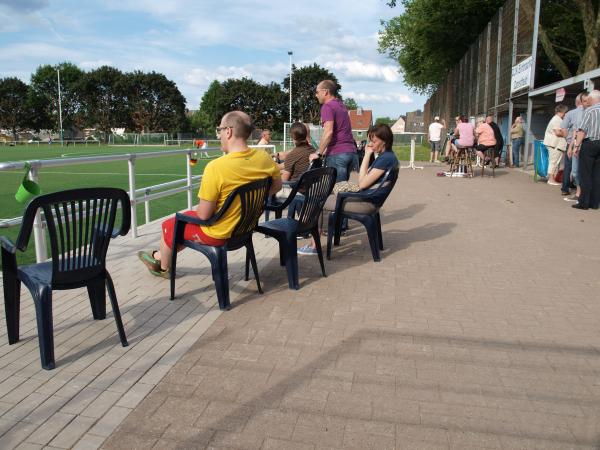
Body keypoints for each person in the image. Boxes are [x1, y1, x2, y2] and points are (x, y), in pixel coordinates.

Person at [138, 111, 282, 277]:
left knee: (171, 225)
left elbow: (204, 215)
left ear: (228, 131)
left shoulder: (216, 167)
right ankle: (158, 258)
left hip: (220, 233)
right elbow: (276, 186)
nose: (219, 134)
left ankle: (163, 267)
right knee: (180, 225)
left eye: (219, 130)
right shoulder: (263, 158)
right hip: (246, 228)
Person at [298, 123, 399, 256]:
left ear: (384, 141)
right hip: (371, 199)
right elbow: (363, 180)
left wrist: (367, 154)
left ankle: (314, 245)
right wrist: (368, 154)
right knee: (326, 195)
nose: (370, 144)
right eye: (370, 140)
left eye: (373, 141)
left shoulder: (385, 159)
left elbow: (362, 183)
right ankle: (316, 234)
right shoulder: (389, 157)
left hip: (367, 203)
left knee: (319, 200)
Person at [312, 79, 358, 182]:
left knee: (337, 190)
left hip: (338, 154)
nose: (316, 95)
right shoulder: (341, 105)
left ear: (325, 92)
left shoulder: (327, 106)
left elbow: (328, 132)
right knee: (342, 191)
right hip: (351, 152)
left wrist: (318, 152)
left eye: (317, 92)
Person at [556, 93, 587, 201]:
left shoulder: (570, 113)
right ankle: (580, 191)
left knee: (570, 168)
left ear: (577, 102)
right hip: (583, 143)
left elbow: (563, 129)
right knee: (582, 169)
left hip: (573, 143)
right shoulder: (586, 112)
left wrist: (568, 140)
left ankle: (565, 188)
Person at [573, 90, 600, 210]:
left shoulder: (590, 110)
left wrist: (577, 146)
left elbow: (582, 130)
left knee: (585, 174)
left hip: (590, 143)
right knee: (597, 175)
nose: (587, 101)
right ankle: (594, 203)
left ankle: (584, 203)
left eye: (588, 99)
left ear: (592, 99)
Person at [543, 104, 569, 186]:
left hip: (554, 144)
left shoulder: (556, 119)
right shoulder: (557, 120)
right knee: (553, 162)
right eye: (566, 112)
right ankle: (551, 179)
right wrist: (567, 134)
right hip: (554, 144)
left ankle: (551, 178)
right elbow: (558, 132)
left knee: (553, 161)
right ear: (563, 112)